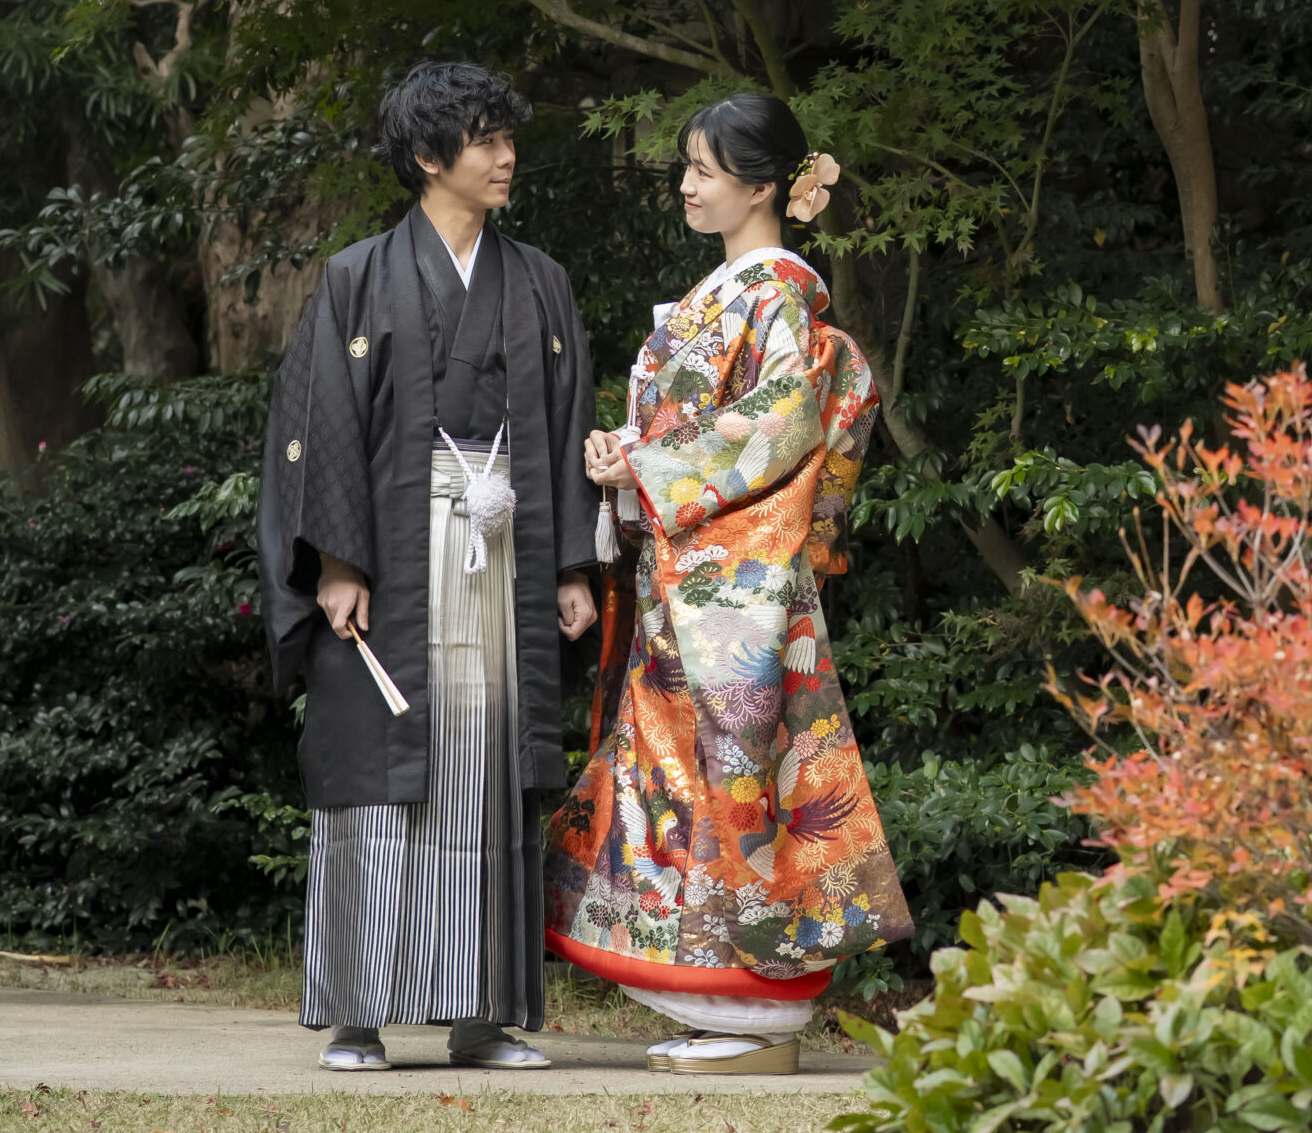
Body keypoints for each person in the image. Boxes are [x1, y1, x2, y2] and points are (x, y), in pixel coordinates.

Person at [544, 92, 912, 1076]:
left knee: (734, 784)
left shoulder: (775, 292)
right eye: (687, 168)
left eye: (703, 170)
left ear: (761, 187)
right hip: (699, 575)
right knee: (686, 782)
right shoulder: (731, 291)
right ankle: (716, 1002)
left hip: (736, 586)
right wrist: (628, 457)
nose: (685, 185)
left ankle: (754, 1010)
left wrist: (646, 464)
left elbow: (779, 428)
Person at [258, 60, 599, 1073]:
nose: (505, 157)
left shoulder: (539, 280)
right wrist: (336, 562)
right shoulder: (357, 277)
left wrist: (571, 565)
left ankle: (482, 1016)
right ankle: (358, 1011)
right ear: (426, 156)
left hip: (505, 550)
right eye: (485, 140)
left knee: (487, 763)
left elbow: (567, 421)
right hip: (392, 555)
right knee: (378, 762)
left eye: (506, 137)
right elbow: (316, 427)